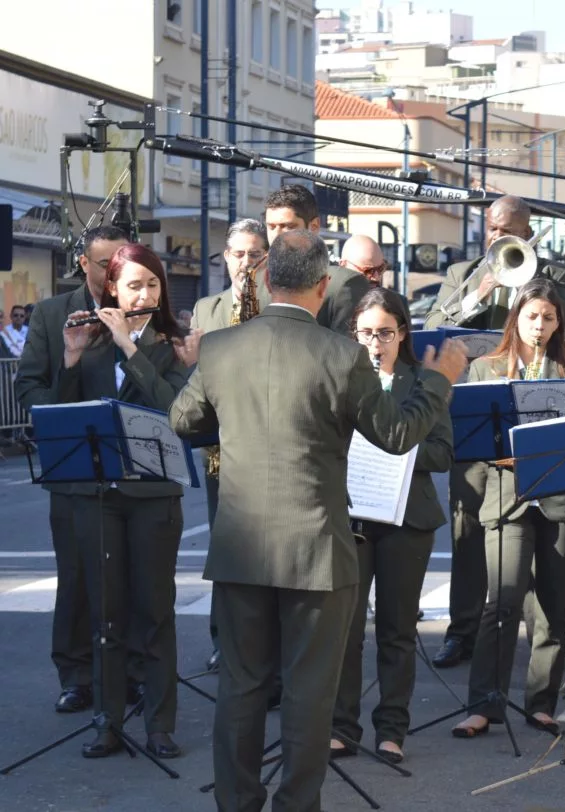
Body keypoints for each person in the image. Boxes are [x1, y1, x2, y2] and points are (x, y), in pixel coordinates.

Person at [168, 230, 466, 812]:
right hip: (317, 550)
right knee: (308, 694)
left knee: (241, 686)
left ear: (263, 278)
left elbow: (184, 421)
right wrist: (440, 380)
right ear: (324, 285)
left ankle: (236, 803)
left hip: (241, 548)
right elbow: (397, 434)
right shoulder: (341, 354)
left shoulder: (222, 348)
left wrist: (233, 422)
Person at [425, 195, 565, 669]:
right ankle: (463, 631)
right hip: (480, 412)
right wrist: (480, 294)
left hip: (537, 417)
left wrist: (528, 289)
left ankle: (540, 645)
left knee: (539, 538)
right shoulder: (464, 273)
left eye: (509, 231)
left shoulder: (555, 274)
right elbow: (433, 327)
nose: (499, 239)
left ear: (528, 230)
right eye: (493, 230)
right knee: (467, 527)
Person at [58, 242, 196, 759]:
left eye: (152, 284)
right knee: (106, 615)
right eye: (133, 284)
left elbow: (175, 411)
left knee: (154, 612)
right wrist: (71, 359)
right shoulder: (89, 343)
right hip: (101, 495)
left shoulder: (175, 346)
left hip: (154, 496)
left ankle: (160, 723)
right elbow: (61, 415)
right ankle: (107, 722)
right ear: (111, 288)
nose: (144, 293)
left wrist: (133, 349)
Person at [14, 226, 138, 714]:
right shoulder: (50, 314)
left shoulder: (137, 309)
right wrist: (70, 359)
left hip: (130, 465)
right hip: (74, 466)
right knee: (77, 575)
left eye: (119, 264)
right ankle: (76, 673)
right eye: (102, 263)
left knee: (127, 575)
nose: (111, 273)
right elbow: (29, 391)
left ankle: (127, 672)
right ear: (84, 263)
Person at [451, 277, 565, 740]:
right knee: (501, 602)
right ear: (516, 318)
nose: (540, 325)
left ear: (559, 323)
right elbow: (470, 437)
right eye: (531, 316)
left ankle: (541, 702)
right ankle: (484, 704)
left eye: (549, 318)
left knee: (552, 607)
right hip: (506, 497)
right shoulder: (486, 369)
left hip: (559, 497)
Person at [332, 288, 454, 765]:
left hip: (408, 518)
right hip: (355, 513)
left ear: (402, 333)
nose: (374, 343)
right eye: (365, 333)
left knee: (397, 630)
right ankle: (342, 726)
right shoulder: (342, 377)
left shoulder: (425, 380)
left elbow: (442, 453)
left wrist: (392, 450)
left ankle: (392, 729)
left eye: (384, 333)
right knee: (345, 628)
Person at [190, 218, 270, 672]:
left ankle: (264, 643)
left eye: (255, 254)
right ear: (225, 257)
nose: (246, 262)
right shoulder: (207, 308)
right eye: (238, 254)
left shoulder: (278, 305)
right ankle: (224, 639)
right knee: (225, 550)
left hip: (268, 444)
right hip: (221, 449)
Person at [262, 184, 371, 331]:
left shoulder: (345, 284)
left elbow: (348, 350)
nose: (276, 236)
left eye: (288, 226)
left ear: (314, 226)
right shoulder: (257, 281)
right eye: (271, 227)